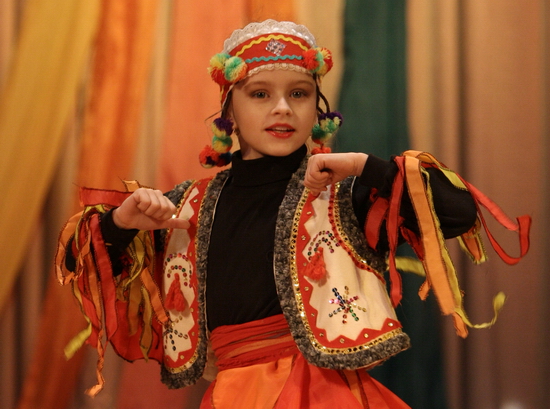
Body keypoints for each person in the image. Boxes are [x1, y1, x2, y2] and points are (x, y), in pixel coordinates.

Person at [55, 19, 530, 408]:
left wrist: (365, 167)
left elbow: (459, 212)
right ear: (229, 109)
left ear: (316, 107)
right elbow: (79, 267)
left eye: (299, 94)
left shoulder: (344, 195)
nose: (282, 108)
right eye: (260, 94)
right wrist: (121, 224)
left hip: (327, 398)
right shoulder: (186, 208)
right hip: (233, 396)